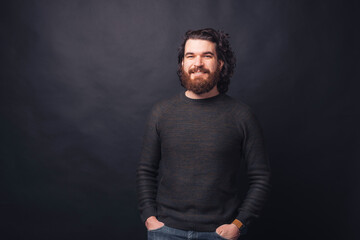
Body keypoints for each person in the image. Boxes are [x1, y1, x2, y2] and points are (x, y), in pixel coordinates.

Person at [136, 28, 271, 240]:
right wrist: (149, 218)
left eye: (207, 55)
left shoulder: (242, 115)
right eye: (191, 56)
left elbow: (261, 177)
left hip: (219, 234)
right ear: (182, 64)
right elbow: (146, 170)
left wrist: (239, 224)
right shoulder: (161, 112)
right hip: (165, 231)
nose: (198, 63)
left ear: (220, 64)